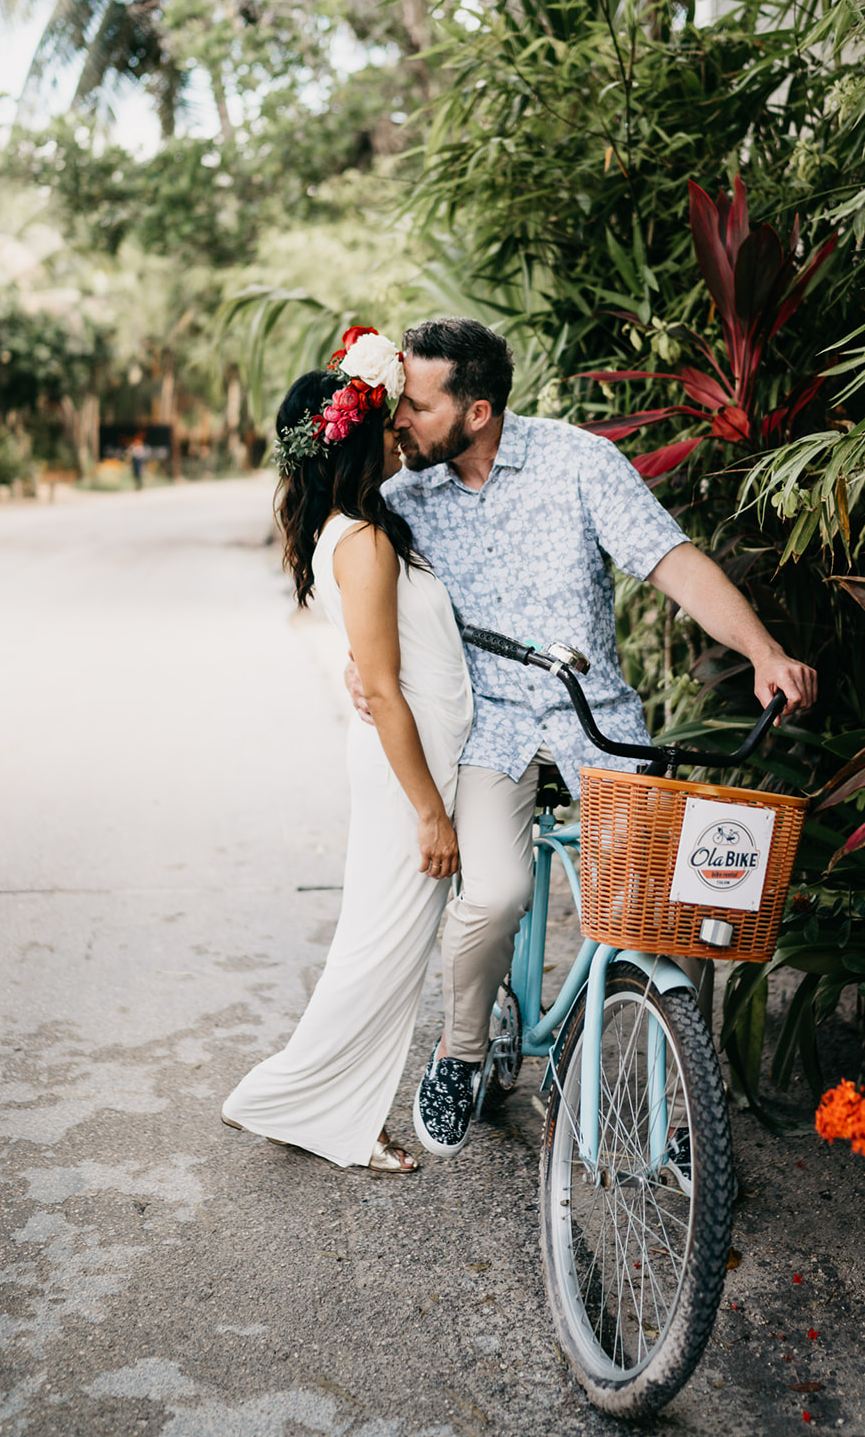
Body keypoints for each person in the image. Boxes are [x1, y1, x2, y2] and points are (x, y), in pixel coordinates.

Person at [347, 317, 817, 1161]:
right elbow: (363, 593)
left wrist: (762, 651)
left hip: (595, 722)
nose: (399, 421)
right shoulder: (402, 496)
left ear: (478, 410)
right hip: (487, 725)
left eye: (414, 406)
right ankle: (459, 1053)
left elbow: (670, 561)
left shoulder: (577, 462)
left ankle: (682, 1114)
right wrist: (359, 664)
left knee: (675, 915)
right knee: (491, 896)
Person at [221, 327, 473, 1173]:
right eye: (388, 421)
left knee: (385, 943)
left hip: (417, 753)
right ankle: (308, 1104)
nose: (402, 430)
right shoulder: (362, 539)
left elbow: (375, 661)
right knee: (383, 947)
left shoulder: (359, 528)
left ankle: (314, 1099)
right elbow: (388, 687)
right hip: (411, 767)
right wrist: (431, 813)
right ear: (356, 441)